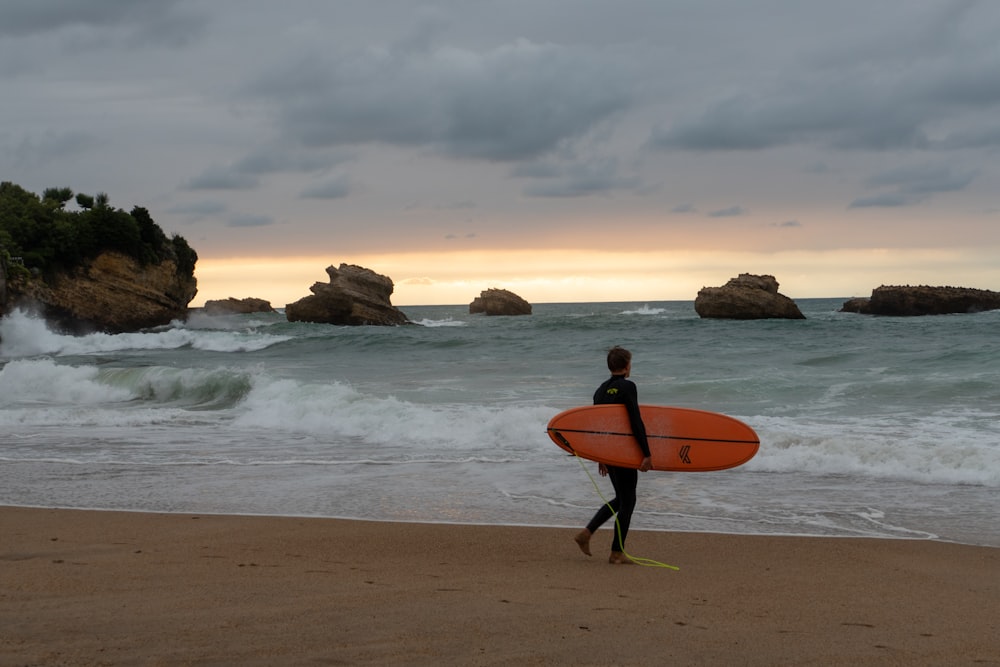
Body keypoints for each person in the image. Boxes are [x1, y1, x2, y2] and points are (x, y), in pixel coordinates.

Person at [574, 346, 652, 564]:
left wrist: (601, 455)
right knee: (628, 501)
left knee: (622, 498)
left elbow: (597, 425)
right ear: (627, 366)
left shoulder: (599, 391)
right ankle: (616, 552)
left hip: (609, 451)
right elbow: (636, 421)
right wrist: (646, 453)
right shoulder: (628, 387)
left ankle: (587, 534)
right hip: (624, 452)